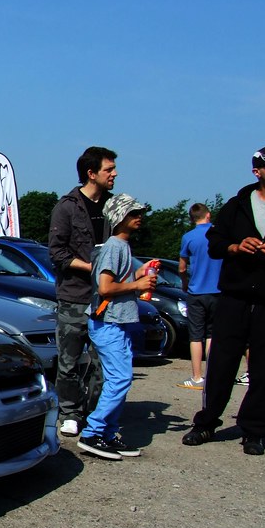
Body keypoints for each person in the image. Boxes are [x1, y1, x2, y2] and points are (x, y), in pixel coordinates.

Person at [182, 146, 265, 455]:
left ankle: (255, 431)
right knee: (221, 363)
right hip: (234, 296)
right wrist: (236, 247)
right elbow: (216, 242)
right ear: (257, 171)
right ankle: (206, 423)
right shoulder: (237, 204)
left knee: (264, 367)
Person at [77, 194, 158, 459]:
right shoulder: (115, 246)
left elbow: (115, 281)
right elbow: (105, 287)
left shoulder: (121, 246)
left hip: (115, 323)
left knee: (119, 379)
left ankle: (108, 434)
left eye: (139, 212)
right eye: (133, 213)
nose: (139, 217)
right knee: (120, 379)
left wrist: (138, 274)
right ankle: (93, 433)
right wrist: (138, 285)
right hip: (108, 323)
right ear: (119, 218)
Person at [48, 146, 116, 437]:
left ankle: (96, 413)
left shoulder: (116, 207)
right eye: (108, 169)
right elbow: (57, 252)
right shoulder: (67, 207)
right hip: (74, 296)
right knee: (69, 361)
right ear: (91, 174)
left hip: (107, 298)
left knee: (106, 362)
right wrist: (92, 268)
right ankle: (69, 412)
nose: (114, 174)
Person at [177, 203, 222, 389]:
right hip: (218, 291)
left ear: (192, 218)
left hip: (196, 291)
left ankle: (196, 377)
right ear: (208, 215)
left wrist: (185, 283)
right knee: (212, 334)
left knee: (196, 335)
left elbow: (181, 267)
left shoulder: (188, 237)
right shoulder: (219, 235)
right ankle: (212, 376)